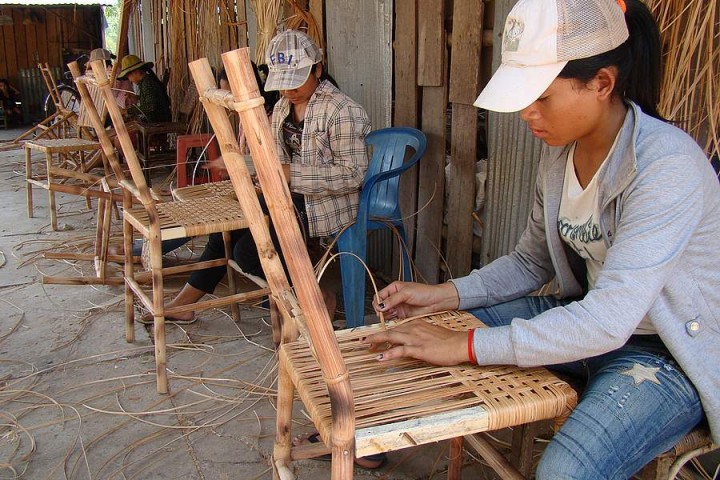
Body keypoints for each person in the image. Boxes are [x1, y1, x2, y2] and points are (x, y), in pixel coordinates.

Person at [365, 0, 720, 478]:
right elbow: (531, 264)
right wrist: (442, 295)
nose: (527, 113)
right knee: (431, 332)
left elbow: (609, 320)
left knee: (563, 473)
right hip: (588, 324)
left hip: (665, 354)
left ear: (602, 83)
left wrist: (464, 345)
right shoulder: (560, 156)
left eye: (542, 96)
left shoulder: (666, 167)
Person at [145, 30, 371, 331]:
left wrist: (289, 174)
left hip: (326, 202)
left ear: (318, 68)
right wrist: (246, 165)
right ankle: (187, 302)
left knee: (248, 253)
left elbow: (353, 174)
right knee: (228, 230)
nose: (289, 90)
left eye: (297, 80)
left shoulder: (342, 110)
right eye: (284, 82)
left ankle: (318, 297)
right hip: (287, 194)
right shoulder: (280, 108)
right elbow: (274, 161)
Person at [117, 54, 171, 123]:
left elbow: (150, 106)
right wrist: (136, 97)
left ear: (135, 72)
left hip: (159, 121)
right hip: (160, 118)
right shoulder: (145, 81)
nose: (130, 80)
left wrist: (128, 111)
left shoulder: (147, 83)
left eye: (128, 76)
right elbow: (152, 98)